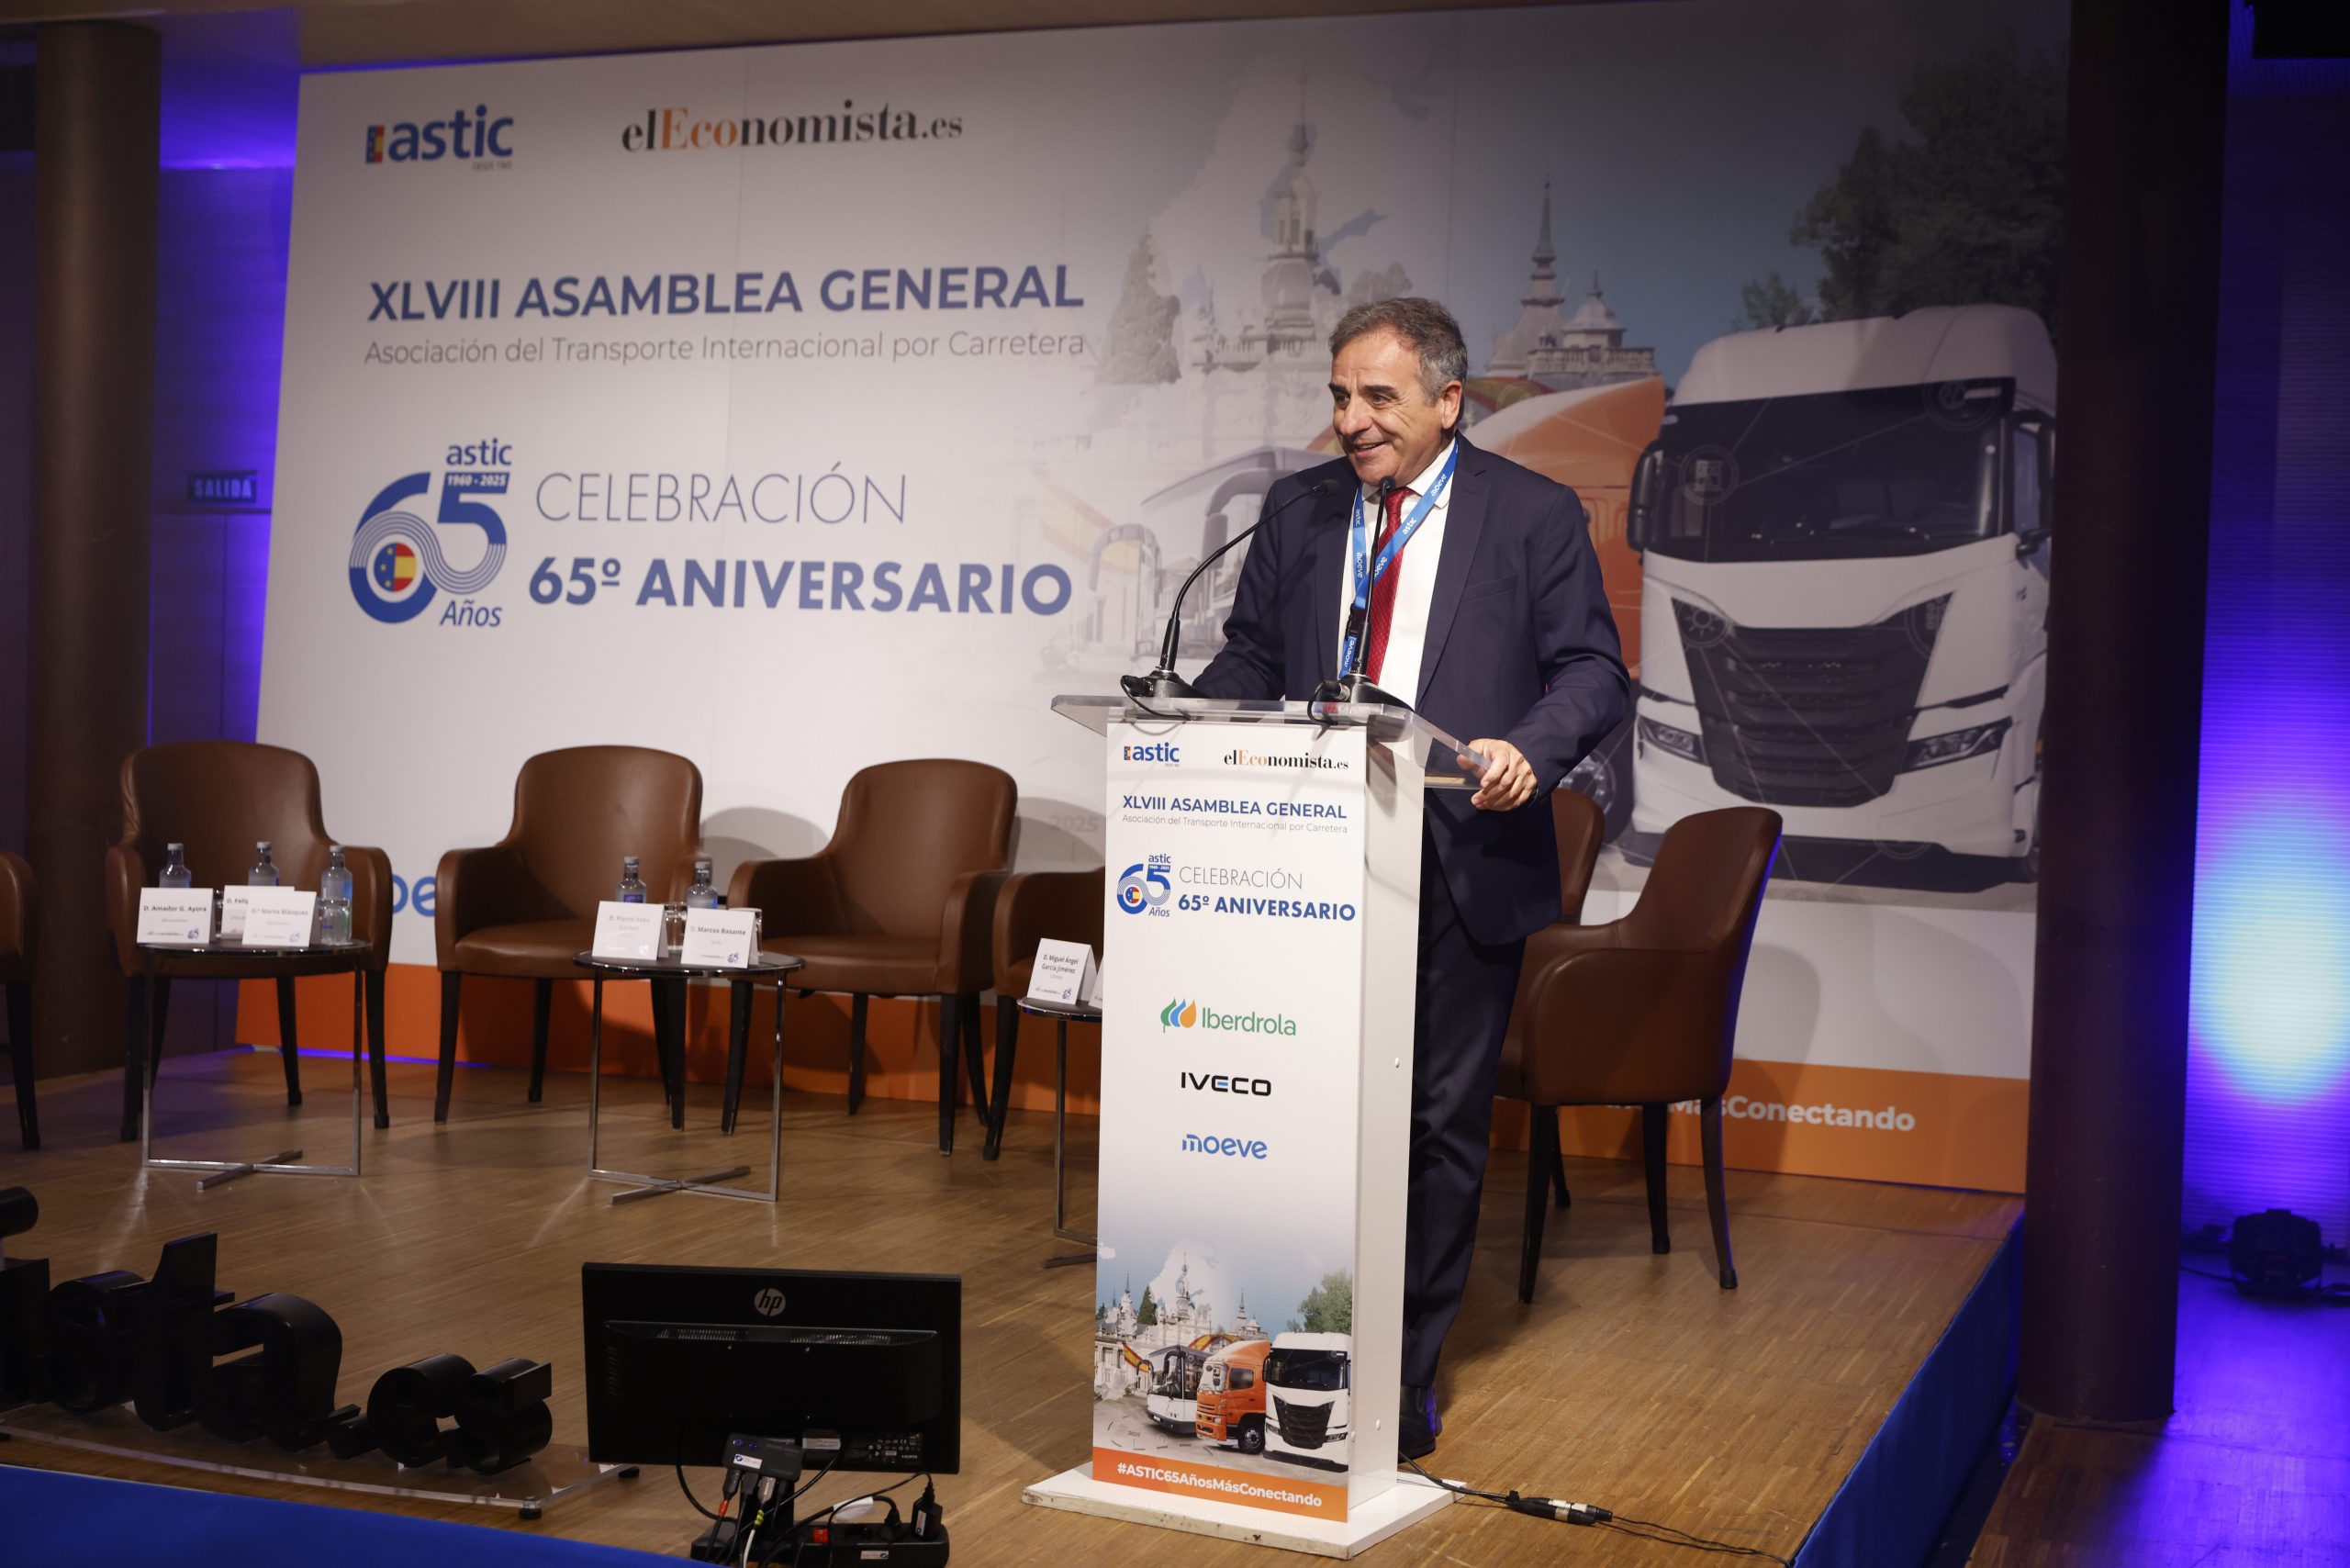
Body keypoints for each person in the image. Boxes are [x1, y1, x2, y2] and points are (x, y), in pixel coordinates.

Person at [1191, 297, 1628, 1459]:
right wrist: (1181, 718)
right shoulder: (1299, 507)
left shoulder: (1530, 514)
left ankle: (1398, 1371)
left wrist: (1527, 748)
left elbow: (1592, 669)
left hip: (1457, 858)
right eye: (1340, 395)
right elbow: (1252, 653)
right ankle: (1285, 1340)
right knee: (1304, 1111)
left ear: (1448, 400)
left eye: (1377, 396)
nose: (1352, 420)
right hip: (1297, 860)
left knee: (1434, 1125)